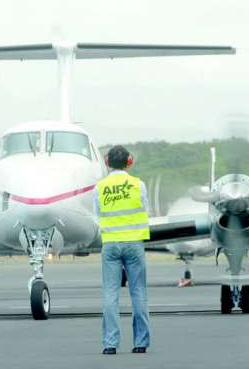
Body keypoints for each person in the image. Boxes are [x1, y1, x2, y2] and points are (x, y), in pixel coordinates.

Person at [93, 145, 151, 355]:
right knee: (138, 293)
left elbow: (97, 213)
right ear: (130, 162)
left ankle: (110, 344)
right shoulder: (139, 185)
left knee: (110, 294)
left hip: (110, 245)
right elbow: (147, 210)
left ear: (107, 163)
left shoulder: (99, 187)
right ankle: (141, 343)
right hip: (134, 244)